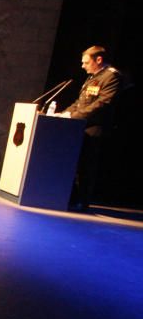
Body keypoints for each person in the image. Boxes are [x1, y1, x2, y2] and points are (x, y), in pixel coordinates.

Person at [58, 45, 122, 209]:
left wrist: (73, 116)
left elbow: (101, 104)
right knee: (74, 164)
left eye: (86, 62)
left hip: (94, 129)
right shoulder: (93, 77)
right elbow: (80, 103)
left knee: (85, 167)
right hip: (80, 126)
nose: (83, 66)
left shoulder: (111, 77)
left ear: (98, 60)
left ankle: (81, 201)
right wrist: (63, 114)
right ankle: (70, 198)